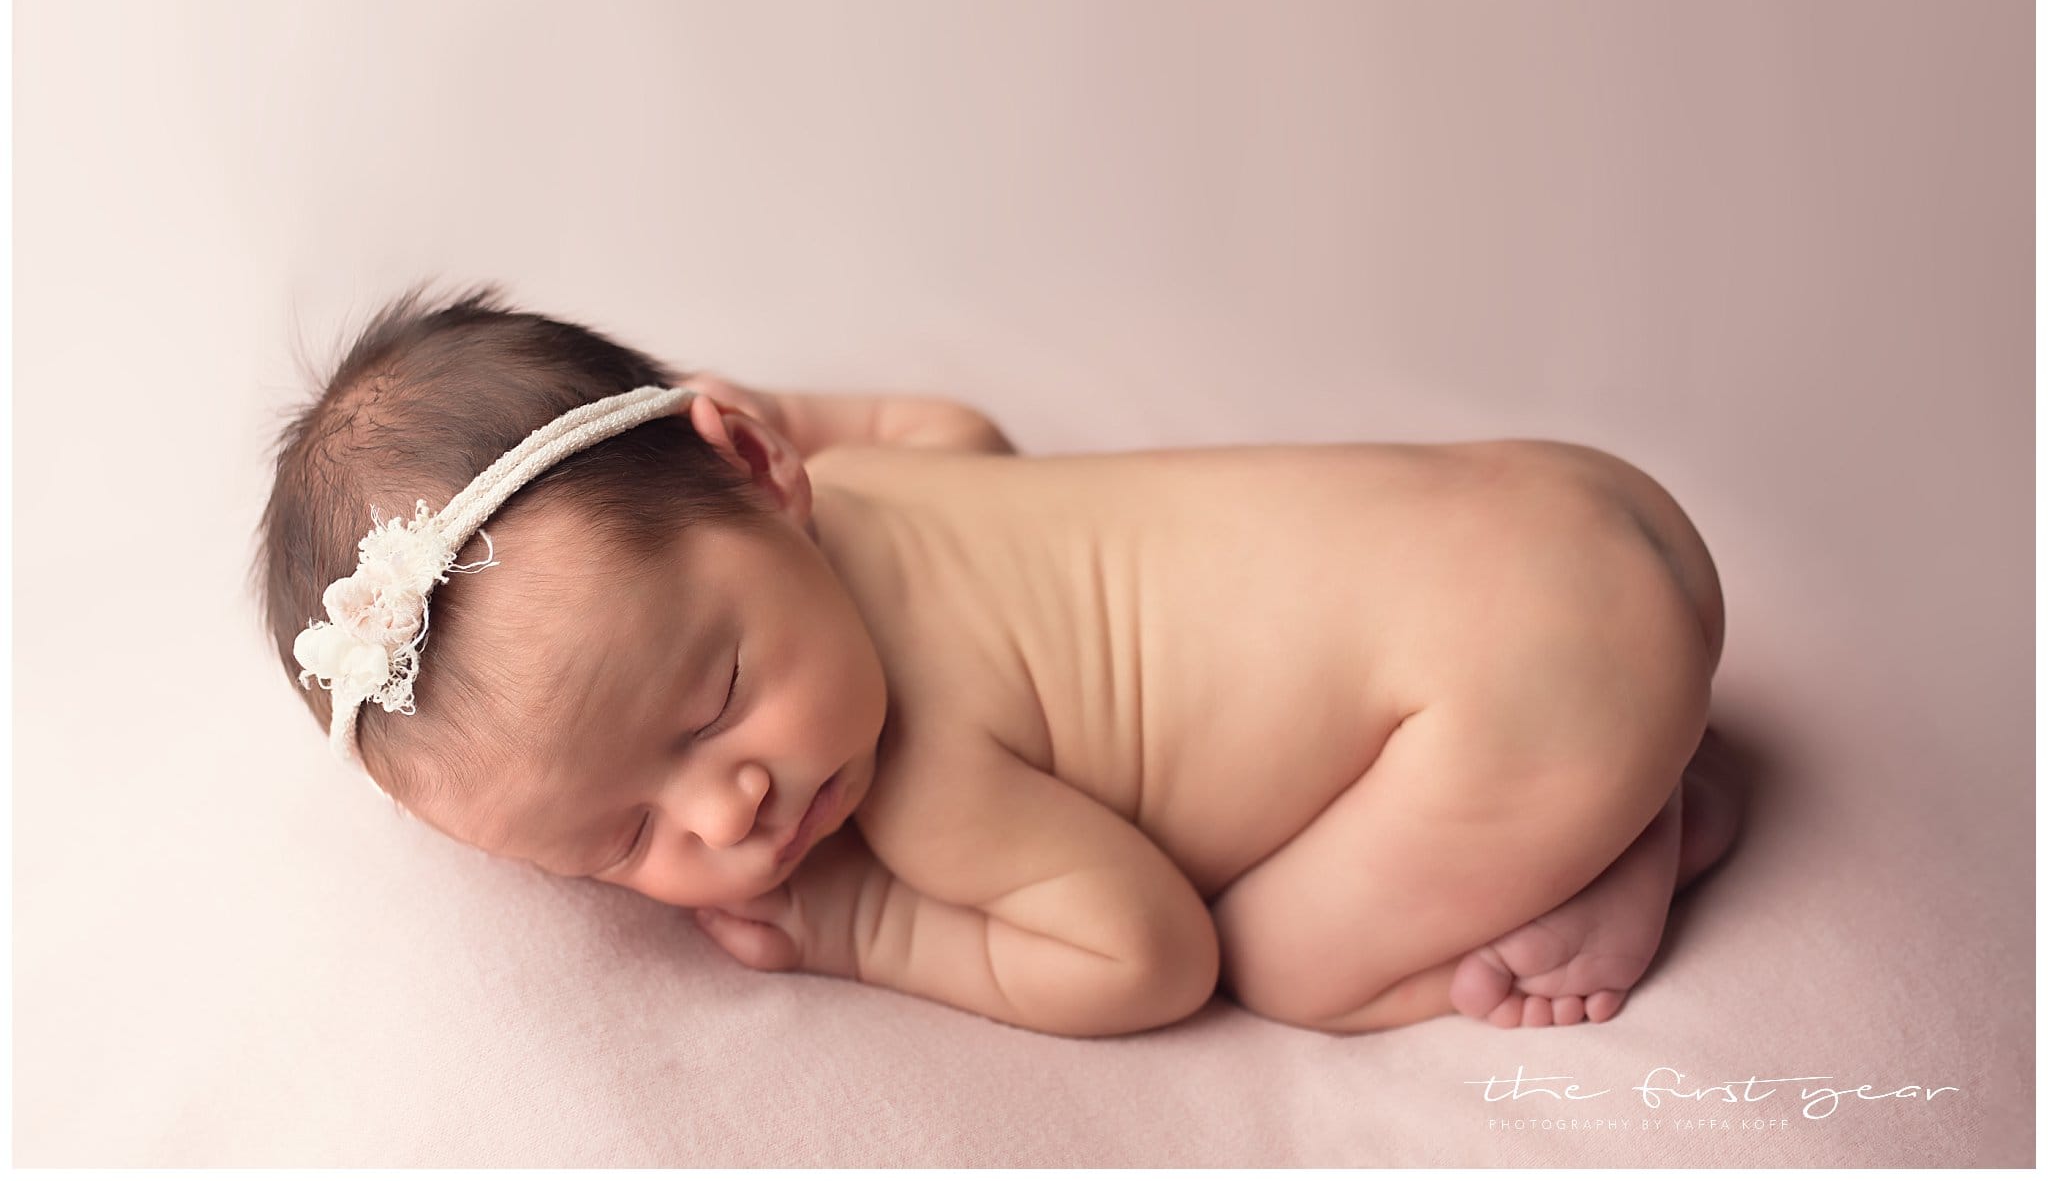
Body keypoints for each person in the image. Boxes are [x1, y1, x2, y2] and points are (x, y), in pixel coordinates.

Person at [256, 282, 1745, 1038]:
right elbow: (944, 424)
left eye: (712, 704)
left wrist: (862, 933)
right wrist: (783, 407)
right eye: (623, 840)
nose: (732, 815)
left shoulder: (926, 784)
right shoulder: (873, 481)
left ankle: (1629, 839)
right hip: (1569, 500)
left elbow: (1150, 959)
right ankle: (1629, 758)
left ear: (765, 466)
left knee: (1284, 965)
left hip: (1529, 691)